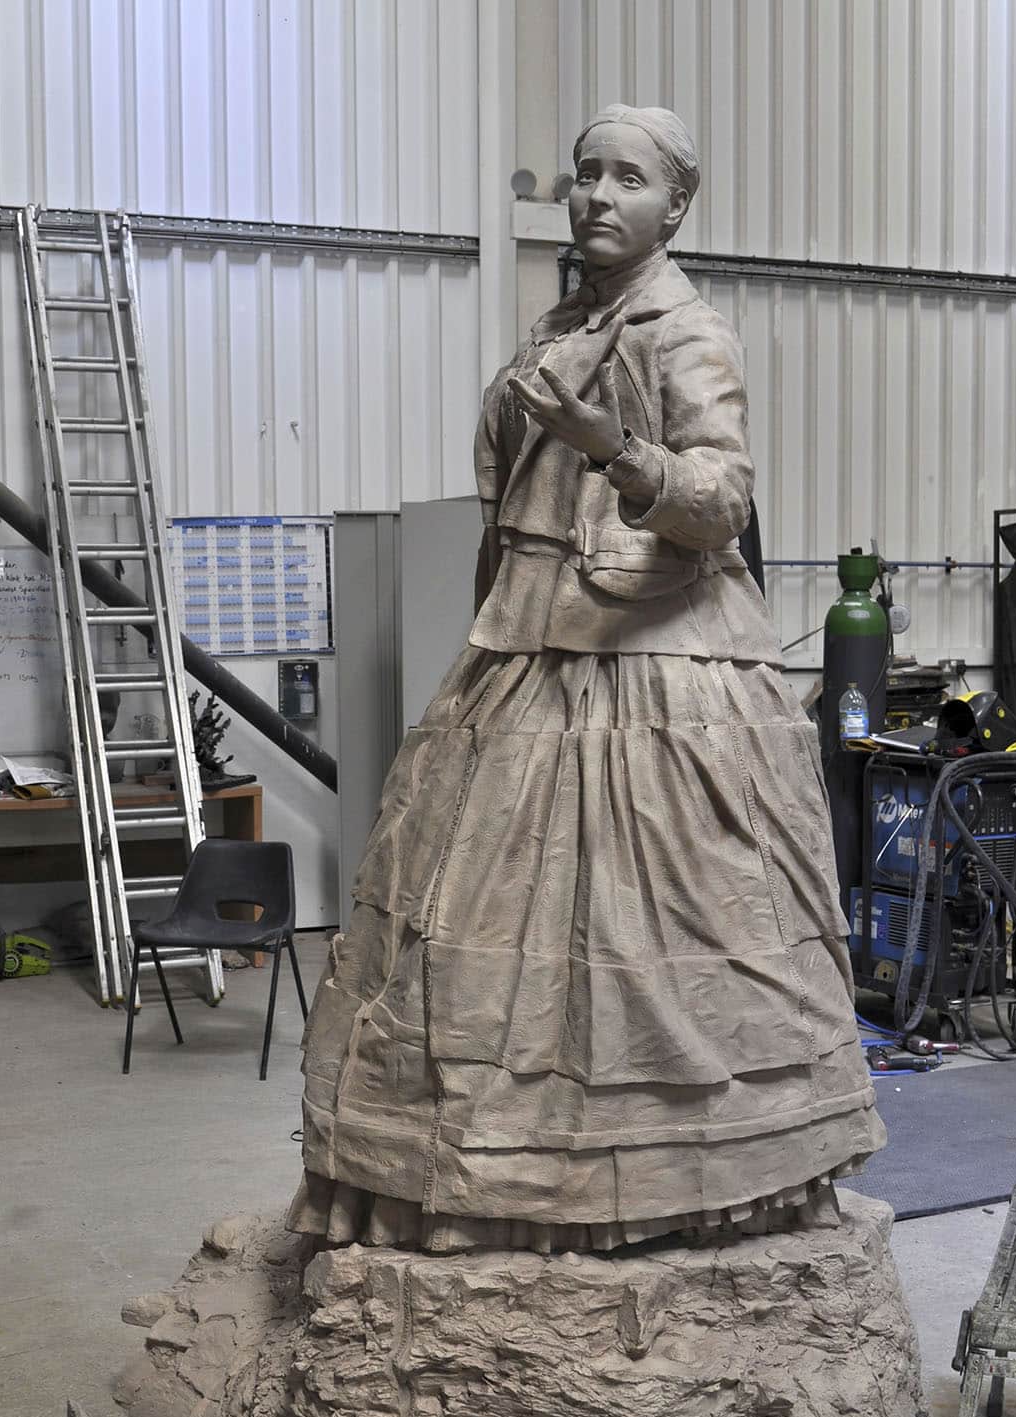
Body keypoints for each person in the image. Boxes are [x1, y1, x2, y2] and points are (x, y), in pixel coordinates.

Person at [288, 104, 884, 1254]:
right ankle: (479, 1183)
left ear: (676, 205)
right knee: (474, 917)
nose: (599, 195)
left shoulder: (685, 331)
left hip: (652, 659)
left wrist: (617, 449)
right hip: (525, 651)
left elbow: (723, 499)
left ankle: (677, 1184)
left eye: (628, 178)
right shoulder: (555, 330)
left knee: (661, 924)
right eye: (585, 174)